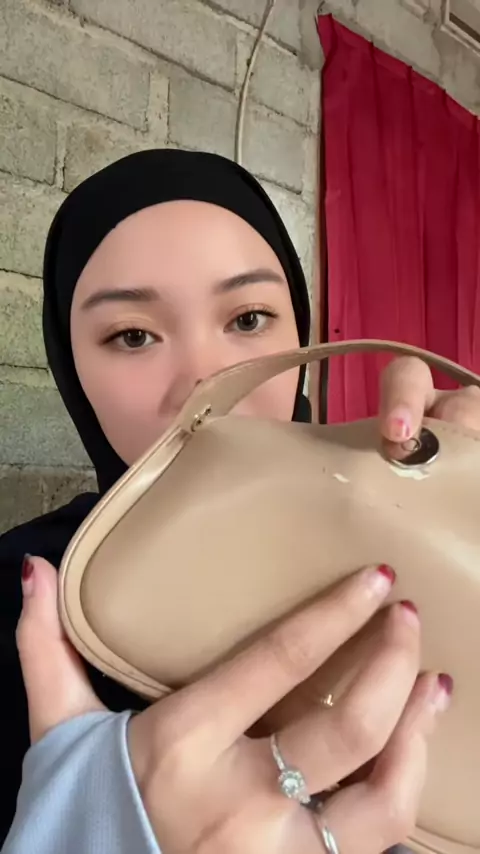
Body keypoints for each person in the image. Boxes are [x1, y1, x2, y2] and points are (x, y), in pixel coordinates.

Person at [0, 149, 476, 853]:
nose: (203, 383)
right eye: (133, 335)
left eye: (249, 319)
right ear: (73, 370)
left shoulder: (402, 539)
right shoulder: (16, 596)